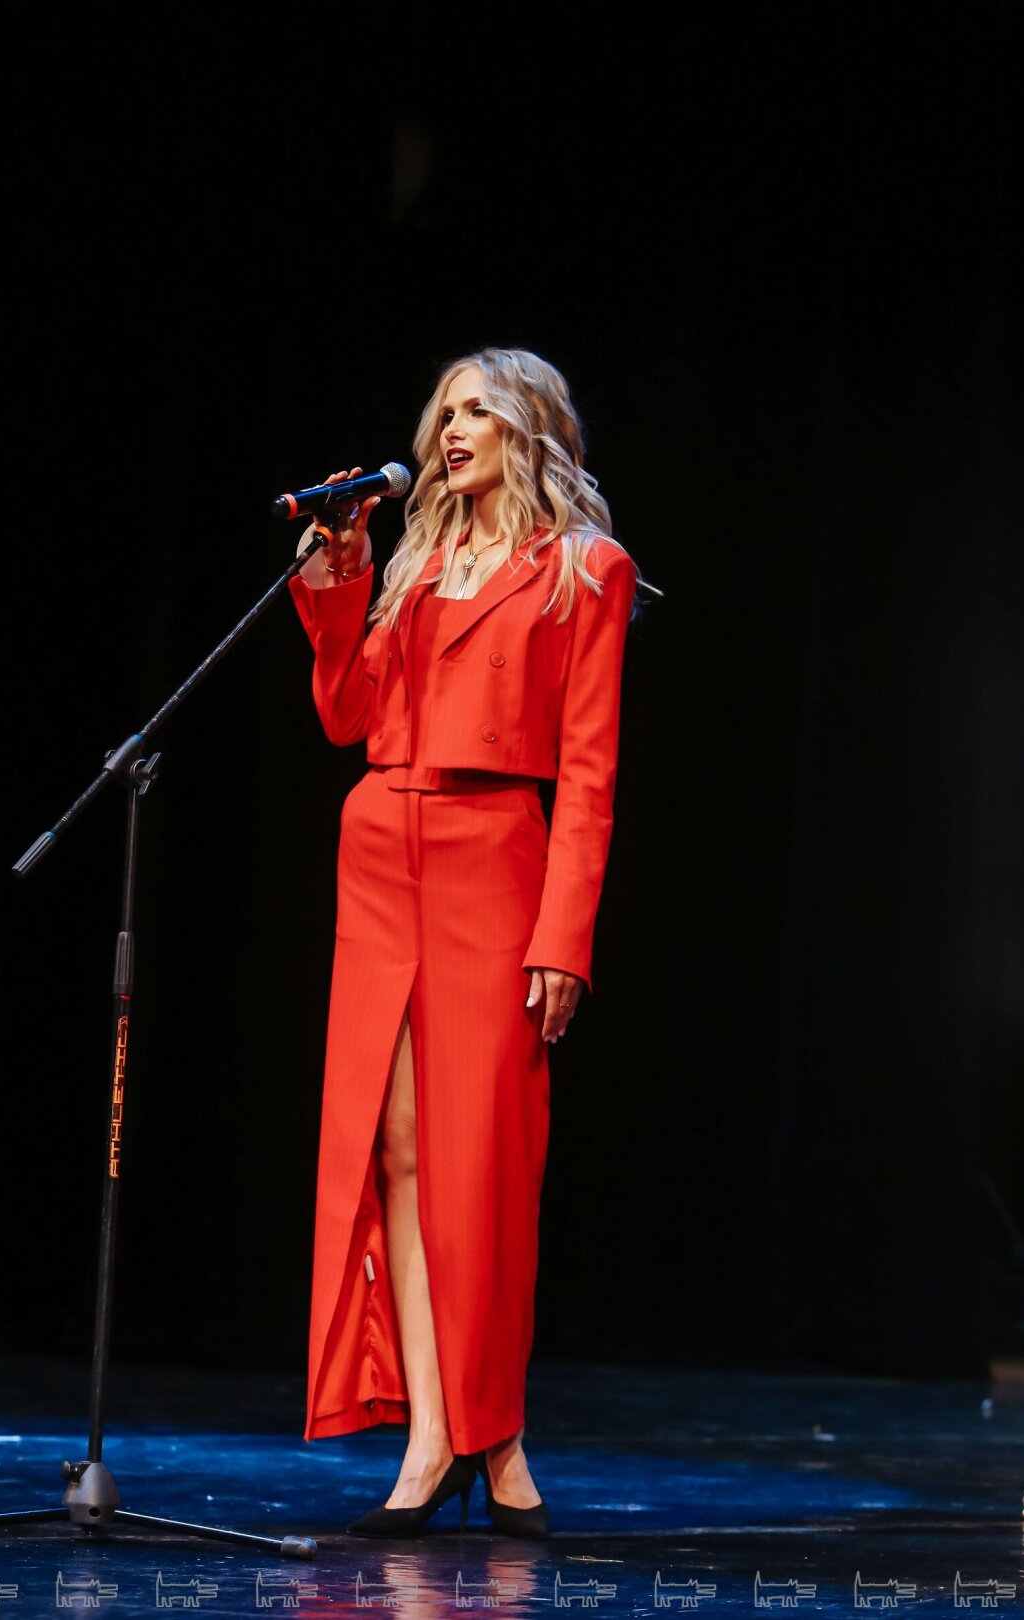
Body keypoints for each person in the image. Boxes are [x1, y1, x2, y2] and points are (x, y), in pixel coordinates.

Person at [288, 346, 638, 1537]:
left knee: (483, 1161)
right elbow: (347, 716)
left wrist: (564, 935)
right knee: (394, 1151)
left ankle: (501, 1430)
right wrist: (338, 582)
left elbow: (590, 771)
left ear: (527, 427)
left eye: (479, 410)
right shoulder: (414, 562)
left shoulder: (583, 567)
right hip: (383, 845)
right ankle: (434, 1436)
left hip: (495, 856)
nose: (453, 429)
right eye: (445, 410)